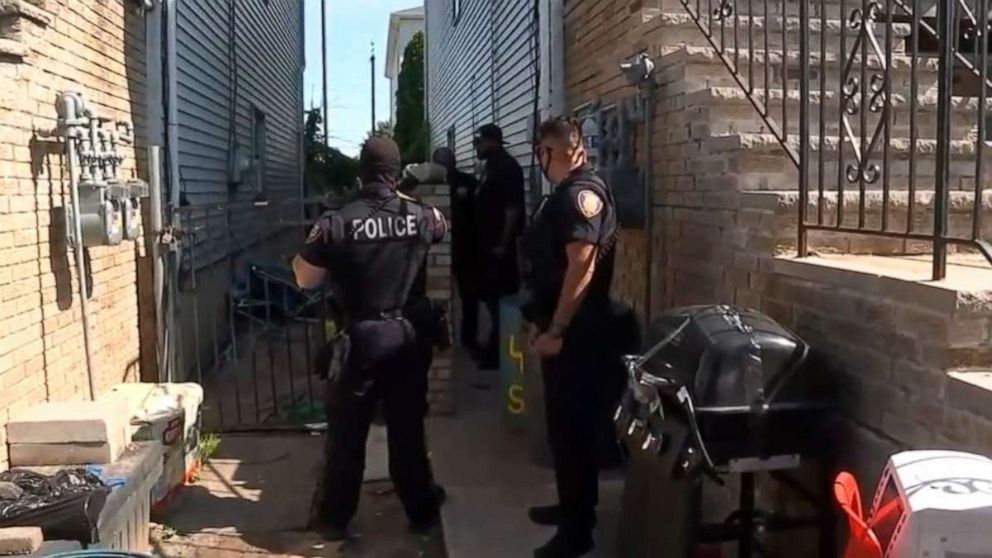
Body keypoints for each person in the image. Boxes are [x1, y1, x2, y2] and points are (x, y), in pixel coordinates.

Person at [294, 136, 448, 541]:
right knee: (407, 430)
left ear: (360, 172)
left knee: (347, 435)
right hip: (406, 338)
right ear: (396, 174)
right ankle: (420, 509)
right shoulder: (422, 215)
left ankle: (335, 519)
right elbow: (440, 227)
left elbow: (304, 277)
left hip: (358, 341)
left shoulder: (337, 221)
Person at [518, 117, 618, 558]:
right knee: (563, 431)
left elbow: (582, 265)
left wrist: (556, 328)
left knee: (574, 430)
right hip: (559, 329)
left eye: (541, 150)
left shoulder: (581, 195)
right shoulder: (561, 195)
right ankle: (572, 505)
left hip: (577, 336)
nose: (538, 159)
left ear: (553, 151)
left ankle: (578, 532)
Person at [473, 123, 525, 370]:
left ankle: (500, 354)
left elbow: (512, 209)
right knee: (491, 300)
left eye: (479, 142)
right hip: (486, 248)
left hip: (499, 250)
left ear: (491, 142)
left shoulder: (507, 167)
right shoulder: (490, 167)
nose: (476, 147)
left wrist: (503, 244)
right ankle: (494, 349)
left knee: (501, 301)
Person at [432, 147, 482, 355]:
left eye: (448, 161)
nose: (445, 165)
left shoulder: (467, 182)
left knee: (470, 297)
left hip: (466, 248)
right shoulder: (429, 185)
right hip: (438, 249)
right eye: (441, 162)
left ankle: (468, 340)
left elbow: (480, 213)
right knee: (438, 297)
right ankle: (440, 337)